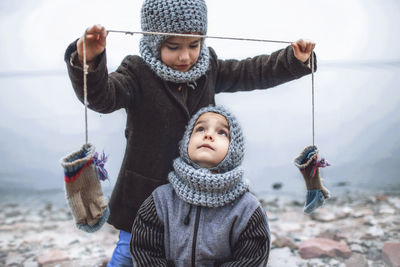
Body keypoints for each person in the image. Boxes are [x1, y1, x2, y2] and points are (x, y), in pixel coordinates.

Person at [64, 0, 316, 265]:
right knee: (129, 251)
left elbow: (251, 71)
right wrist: (88, 61)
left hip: (197, 191)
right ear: (154, 42)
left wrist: (293, 60)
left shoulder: (209, 68)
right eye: (174, 47)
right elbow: (103, 97)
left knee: (191, 251)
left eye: (194, 45)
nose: (185, 56)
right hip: (144, 192)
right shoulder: (137, 73)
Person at [130, 105, 270, 266]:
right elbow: (144, 251)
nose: (209, 135)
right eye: (200, 129)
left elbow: (250, 259)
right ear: (186, 142)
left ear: (234, 149)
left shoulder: (247, 208)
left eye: (222, 132)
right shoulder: (161, 200)